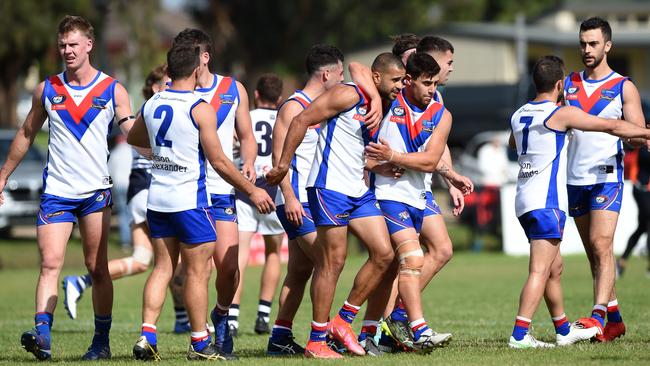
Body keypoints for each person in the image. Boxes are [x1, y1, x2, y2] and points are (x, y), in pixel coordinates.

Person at [0, 15, 136, 361]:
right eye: (62, 45)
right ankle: (43, 336)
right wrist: (2, 176)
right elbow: (26, 135)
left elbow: (132, 131)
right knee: (49, 263)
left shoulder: (112, 89)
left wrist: (158, 142)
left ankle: (100, 342)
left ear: (89, 45)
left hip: (94, 195)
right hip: (57, 193)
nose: (67, 51)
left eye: (73, 44)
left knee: (97, 268)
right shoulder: (46, 89)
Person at [127, 44, 274, 361]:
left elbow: (134, 138)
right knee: (197, 273)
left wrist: (165, 156)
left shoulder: (153, 103)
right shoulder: (200, 107)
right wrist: (253, 189)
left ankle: (147, 335)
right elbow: (220, 161)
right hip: (192, 200)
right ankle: (199, 343)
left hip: (158, 199)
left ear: (168, 70)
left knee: (163, 267)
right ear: (196, 71)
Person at [508, 55, 650, 348]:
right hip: (547, 201)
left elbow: (514, 143)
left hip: (522, 201)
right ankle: (520, 335)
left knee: (554, 268)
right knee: (540, 270)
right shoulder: (560, 114)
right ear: (560, 85)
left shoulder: (519, 113)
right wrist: (646, 132)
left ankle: (563, 330)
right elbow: (611, 127)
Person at [266, 53, 397, 359]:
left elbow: (350, 148)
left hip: (356, 190)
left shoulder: (382, 102)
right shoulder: (344, 93)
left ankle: (339, 322)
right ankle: (316, 340)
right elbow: (301, 121)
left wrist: (380, 164)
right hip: (325, 189)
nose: (401, 87)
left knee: (384, 254)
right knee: (330, 262)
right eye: (397, 80)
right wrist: (284, 171)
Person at [61, 65, 191, 334]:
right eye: (167, 80)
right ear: (156, 86)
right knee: (173, 260)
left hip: (139, 191)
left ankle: (81, 282)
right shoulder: (157, 107)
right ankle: (185, 320)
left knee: (144, 259)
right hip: (149, 188)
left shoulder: (150, 108)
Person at [171, 28, 257, 356]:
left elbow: (246, 135)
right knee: (198, 268)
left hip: (222, 190)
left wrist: (248, 162)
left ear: (204, 57)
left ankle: (221, 314)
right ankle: (202, 337)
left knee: (229, 265)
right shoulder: (172, 92)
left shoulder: (233, 89)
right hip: (188, 193)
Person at [364, 52, 455, 353]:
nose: (432, 89)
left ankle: (375, 330)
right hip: (389, 195)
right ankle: (418, 328)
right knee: (412, 258)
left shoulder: (441, 114)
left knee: (413, 260)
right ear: (408, 81)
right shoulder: (391, 101)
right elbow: (360, 70)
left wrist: (393, 157)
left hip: (418, 195)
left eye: (435, 83)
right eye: (426, 83)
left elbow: (430, 161)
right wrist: (377, 102)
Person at [564, 17, 647, 341]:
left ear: (607, 46)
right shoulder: (568, 83)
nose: (587, 49)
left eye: (593, 43)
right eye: (583, 43)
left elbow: (637, 134)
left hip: (607, 176)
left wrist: (633, 136)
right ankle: (614, 319)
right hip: (575, 178)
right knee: (595, 255)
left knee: (602, 245)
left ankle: (597, 317)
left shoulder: (623, 86)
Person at [265, 44, 345, 356]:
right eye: (339, 74)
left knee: (300, 270)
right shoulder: (293, 107)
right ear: (326, 74)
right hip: (296, 200)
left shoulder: (326, 107)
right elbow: (278, 159)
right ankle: (323, 336)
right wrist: (289, 197)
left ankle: (279, 338)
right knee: (329, 262)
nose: (342, 80)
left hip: (314, 198)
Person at [229, 73, 285, 337]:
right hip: (274, 189)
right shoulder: (286, 118)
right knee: (273, 252)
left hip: (246, 188)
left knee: (239, 254)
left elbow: (232, 147)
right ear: (280, 98)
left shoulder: (246, 116)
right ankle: (264, 314)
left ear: (256, 95)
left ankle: (232, 316)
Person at [617, 147, 650, 278]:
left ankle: (622, 261)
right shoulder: (642, 146)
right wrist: (635, 181)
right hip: (641, 190)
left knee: (642, 227)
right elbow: (633, 164)